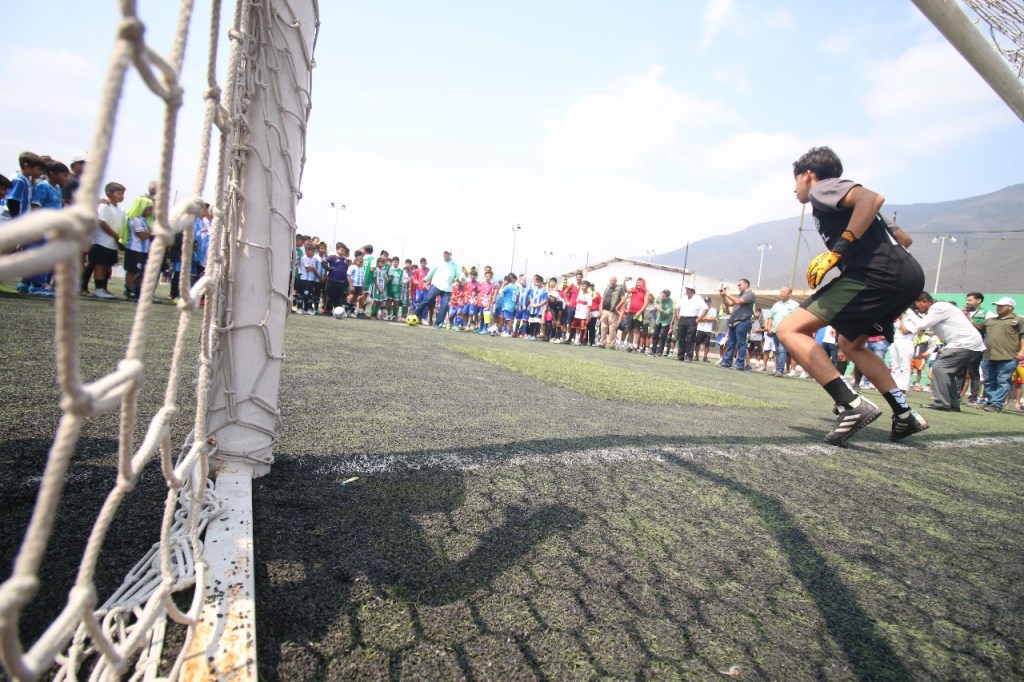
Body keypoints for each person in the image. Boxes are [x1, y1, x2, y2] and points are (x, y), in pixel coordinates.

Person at [777, 146, 928, 444]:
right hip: (907, 273)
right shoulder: (850, 203)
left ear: (808, 175)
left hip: (873, 274)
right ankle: (904, 413)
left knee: (788, 329)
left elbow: (873, 198)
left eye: (795, 181)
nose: (794, 189)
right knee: (852, 344)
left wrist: (839, 250)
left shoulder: (823, 188)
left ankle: (850, 404)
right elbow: (905, 240)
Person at [913, 292, 986, 412]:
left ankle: (941, 402)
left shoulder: (937, 307)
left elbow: (920, 325)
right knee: (948, 372)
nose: (916, 308)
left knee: (939, 368)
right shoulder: (940, 307)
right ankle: (953, 403)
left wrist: (909, 314)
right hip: (970, 344)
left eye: (916, 304)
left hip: (964, 343)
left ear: (925, 301)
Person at [976, 297, 1024, 412]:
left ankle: (997, 404)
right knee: (989, 380)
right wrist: (966, 316)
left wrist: (1022, 351)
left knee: (1003, 381)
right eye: (997, 306)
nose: (998, 308)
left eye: (1001, 306)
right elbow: (974, 327)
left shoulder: (1018, 320)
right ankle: (992, 402)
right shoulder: (990, 321)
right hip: (988, 356)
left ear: (1011, 307)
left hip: (1008, 357)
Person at [413, 249, 461, 329]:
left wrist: (461, 278)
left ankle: (438, 323)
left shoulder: (454, 263)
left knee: (444, 305)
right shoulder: (438, 261)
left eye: (447, 253)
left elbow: (459, 273)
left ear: (450, 254)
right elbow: (432, 271)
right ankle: (415, 314)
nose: (445, 254)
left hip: (447, 287)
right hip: (436, 284)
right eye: (444, 253)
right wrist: (427, 279)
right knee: (428, 299)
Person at [718, 279, 756, 370]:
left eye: (740, 285)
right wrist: (723, 296)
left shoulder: (750, 294)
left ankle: (739, 364)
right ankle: (727, 362)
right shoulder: (739, 295)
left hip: (743, 321)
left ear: (746, 284)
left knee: (741, 344)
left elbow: (739, 302)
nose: (738, 287)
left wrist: (727, 294)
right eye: (738, 285)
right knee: (730, 343)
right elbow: (729, 304)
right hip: (734, 321)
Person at [122, 195, 155, 300]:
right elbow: (142, 235)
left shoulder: (144, 221)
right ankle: (128, 290)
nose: (150, 212)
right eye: (149, 209)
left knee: (142, 272)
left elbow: (147, 233)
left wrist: (149, 233)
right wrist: (151, 233)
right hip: (134, 249)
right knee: (132, 271)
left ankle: (138, 292)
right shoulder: (135, 220)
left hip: (144, 251)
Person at [764, 287, 799, 377]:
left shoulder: (795, 305)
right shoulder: (776, 304)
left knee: (782, 350)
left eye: (783, 292)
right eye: (780, 292)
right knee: (778, 350)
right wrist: (769, 327)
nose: (781, 294)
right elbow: (771, 317)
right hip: (775, 331)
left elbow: (798, 318)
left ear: (789, 294)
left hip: (786, 332)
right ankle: (777, 370)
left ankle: (780, 370)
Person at [676, 286, 708, 361]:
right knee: (681, 338)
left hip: (692, 319)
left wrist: (699, 319)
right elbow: (677, 307)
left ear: (692, 290)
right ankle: (680, 355)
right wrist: (678, 316)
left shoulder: (697, 298)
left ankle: (689, 356)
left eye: (688, 289)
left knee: (690, 338)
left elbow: (705, 308)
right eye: (686, 289)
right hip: (682, 318)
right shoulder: (683, 297)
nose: (686, 290)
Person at [598, 277, 625, 348]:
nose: (612, 282)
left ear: (616, 281)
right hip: (604, 310)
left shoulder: (619, 289)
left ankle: (612, 344)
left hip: (612, 311)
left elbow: (623, 299)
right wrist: (600, 308)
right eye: (611, 281)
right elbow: (603, 298)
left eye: (614, 281)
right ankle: (602, 342)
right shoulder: (607, 288)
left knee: (612, 328)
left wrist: (617, 307)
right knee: (603, 327)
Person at [651, 289, 675, 357]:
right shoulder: (658, 298)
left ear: (667, 297)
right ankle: (653, 350)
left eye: (664, 296)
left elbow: (668, 312)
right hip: (658, 319)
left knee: (663, 336)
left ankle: (659, 352)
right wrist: (656, 307)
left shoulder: (670, 301)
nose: (662, 297)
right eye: (662, 295)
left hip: (666, 320)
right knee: (655, 334)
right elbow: (655, 304)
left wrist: (661, 310)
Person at [695, 297, 716, 362]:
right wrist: (707, 319)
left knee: (707, 344)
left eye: (708, 302)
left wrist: (703, 319)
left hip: (708, 330)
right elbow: (698, 318)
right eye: (706, 302)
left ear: (710, 302)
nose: (707, 303)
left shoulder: (713, 310)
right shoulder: (701, 309)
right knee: (697, 343)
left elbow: (713, 319)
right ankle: (696, 356)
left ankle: (705, 357)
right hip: (700, 328)